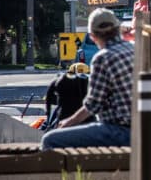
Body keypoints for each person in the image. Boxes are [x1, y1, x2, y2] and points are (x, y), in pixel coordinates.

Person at [40, 9, 133, 149]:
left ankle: (72, 171)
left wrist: (66, 124)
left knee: (50, 140)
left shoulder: (103, 58)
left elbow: (93, 105)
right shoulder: (133, 50)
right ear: (117, 29)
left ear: (93, 36)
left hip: (120, 131)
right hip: (143, 128)